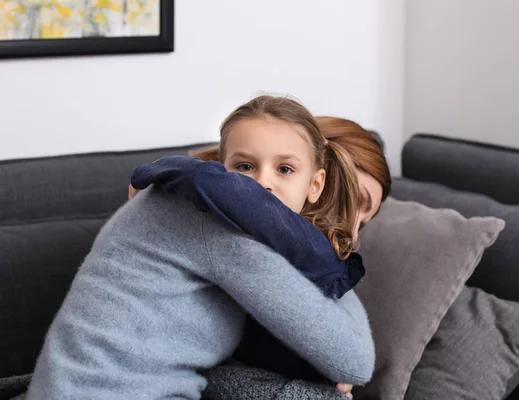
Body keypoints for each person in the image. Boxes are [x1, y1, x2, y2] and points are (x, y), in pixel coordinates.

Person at [27, 96, 375, 400]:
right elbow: (355, 362)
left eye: (284, 169)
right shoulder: (217, 227)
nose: (262, 184)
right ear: (221, 172)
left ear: (315, 185)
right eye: (244, 167)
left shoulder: (180, 200)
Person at [203, 116, 392, 400]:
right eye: (352, 201)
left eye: (364, 221)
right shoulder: (224, 237)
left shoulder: (316, 268)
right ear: (314, 180)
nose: (353, 236)